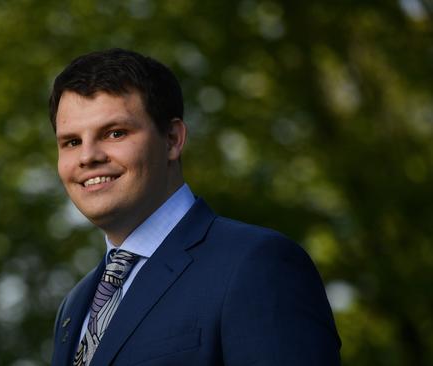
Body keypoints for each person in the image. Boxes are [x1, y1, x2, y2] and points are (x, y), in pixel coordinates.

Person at [49, 48, 341, 366]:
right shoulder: (75, 306)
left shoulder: (257, 265)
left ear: (173, 139)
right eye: (72, 142)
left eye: (115, 133)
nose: (88, 156)